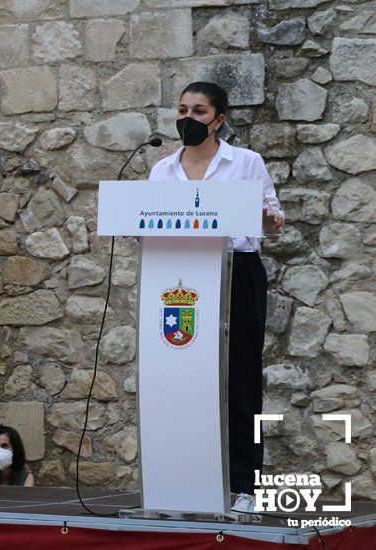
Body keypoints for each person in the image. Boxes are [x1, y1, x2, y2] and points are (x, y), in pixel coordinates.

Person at [148, 81, 285, 514]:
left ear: (219, 120)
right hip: (177, 275)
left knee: (241, 379)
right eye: (183, 109)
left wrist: (266, 218)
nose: (188, 118)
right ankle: (181, 482)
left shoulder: (244, 162)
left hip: (235, 270)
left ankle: (246, 486)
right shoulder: (161, 171)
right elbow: (147, 223)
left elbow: (273, 222)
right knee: (178, 377)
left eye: (200, 111)